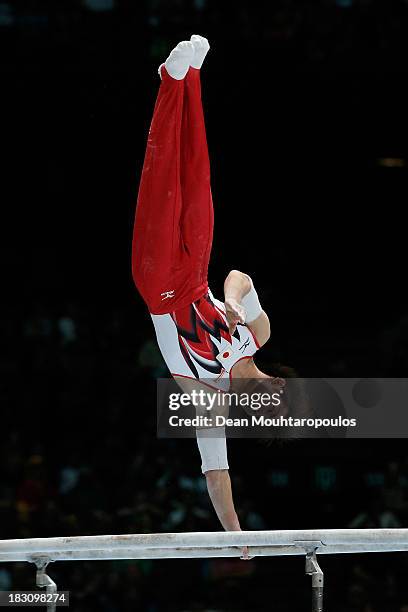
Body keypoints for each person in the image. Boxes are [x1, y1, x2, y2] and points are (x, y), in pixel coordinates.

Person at [132, 36, 282, 554]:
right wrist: (235, 300)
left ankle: (169, 82)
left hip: (162, 287)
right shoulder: (256, 336)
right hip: (197, 269)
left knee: (162, 177)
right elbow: (240, 275)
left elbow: (216, 475)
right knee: (197, 171)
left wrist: (236, 536)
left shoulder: (208, 401)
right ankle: (190, 76)